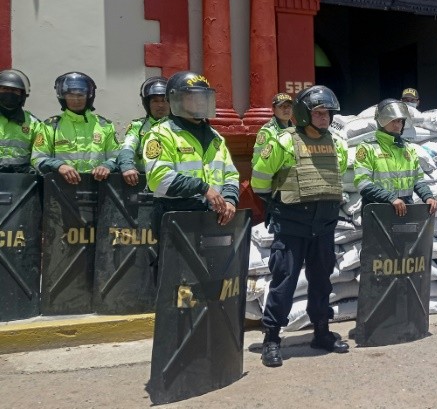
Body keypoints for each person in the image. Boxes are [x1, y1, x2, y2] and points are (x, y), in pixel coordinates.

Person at [251, 85, 349, 368]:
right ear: (304, 114)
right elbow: (259, 180)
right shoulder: (282, 142)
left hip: (324, 224)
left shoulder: (337, 142)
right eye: (318, 113)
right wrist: (277, 204)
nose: (324, 118)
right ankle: (271, 339)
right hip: (292, 224)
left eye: (327, 113)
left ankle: (321, 332)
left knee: (321, 280)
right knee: (284, 281)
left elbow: (338, 173)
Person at [143, 71, 239, 229]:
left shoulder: (215, 137)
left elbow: (231, 174)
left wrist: (229, 199)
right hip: (176, 218)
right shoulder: (161, 134)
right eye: (194, 97)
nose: (201, 103)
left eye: (203, 98)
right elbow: (157, 179)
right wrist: (202, 188)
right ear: (176, 100)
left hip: (212, 218)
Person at [354, 98, 437, 216]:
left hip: (406, 209)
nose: (397, 125)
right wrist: (391, 198)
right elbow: (363, 183)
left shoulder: (408, 149)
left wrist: (428, 197)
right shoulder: (367, 148)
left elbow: (417, 179)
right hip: (378, 211)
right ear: (381, 121)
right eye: (393, 120)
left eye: (400, 121)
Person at [31, 71, 119, 184]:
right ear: (63, 97)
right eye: (70, 95)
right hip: (59, 189)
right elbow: (37, 158)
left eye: (80, 95)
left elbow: (116, 157)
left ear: (89, 96)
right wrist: (59, 166)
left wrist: (106, 166)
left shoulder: (104, 125)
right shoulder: (50, 126)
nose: (76, 100)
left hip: (98, 188)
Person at [117, 76, 169, 186]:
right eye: (155, 101)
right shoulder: (137, 126)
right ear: (147, 104)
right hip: (142, 184)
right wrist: (127, 166)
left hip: (172, 184)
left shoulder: (179, 127)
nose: (160, 105)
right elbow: (127, 147)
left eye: (164, 100)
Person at [0, 69, 41, 173]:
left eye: (14, 90)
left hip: (21, 184)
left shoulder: (34, 123)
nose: (9, 93)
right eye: (5, 89)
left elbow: (40, 155)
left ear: (22, 95)